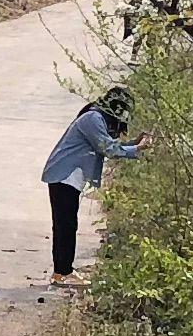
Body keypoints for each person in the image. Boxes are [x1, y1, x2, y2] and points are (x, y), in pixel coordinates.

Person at [39, 86, 136, 281]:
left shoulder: (96, 118)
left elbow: (110, 145)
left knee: (66, 225)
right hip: (63, 177)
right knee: (65, 225)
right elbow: (108, 148)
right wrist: (137, 148)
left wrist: (136, 145)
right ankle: (62, 273)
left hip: (68, 179)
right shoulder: (93, 119)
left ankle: (63, 271)